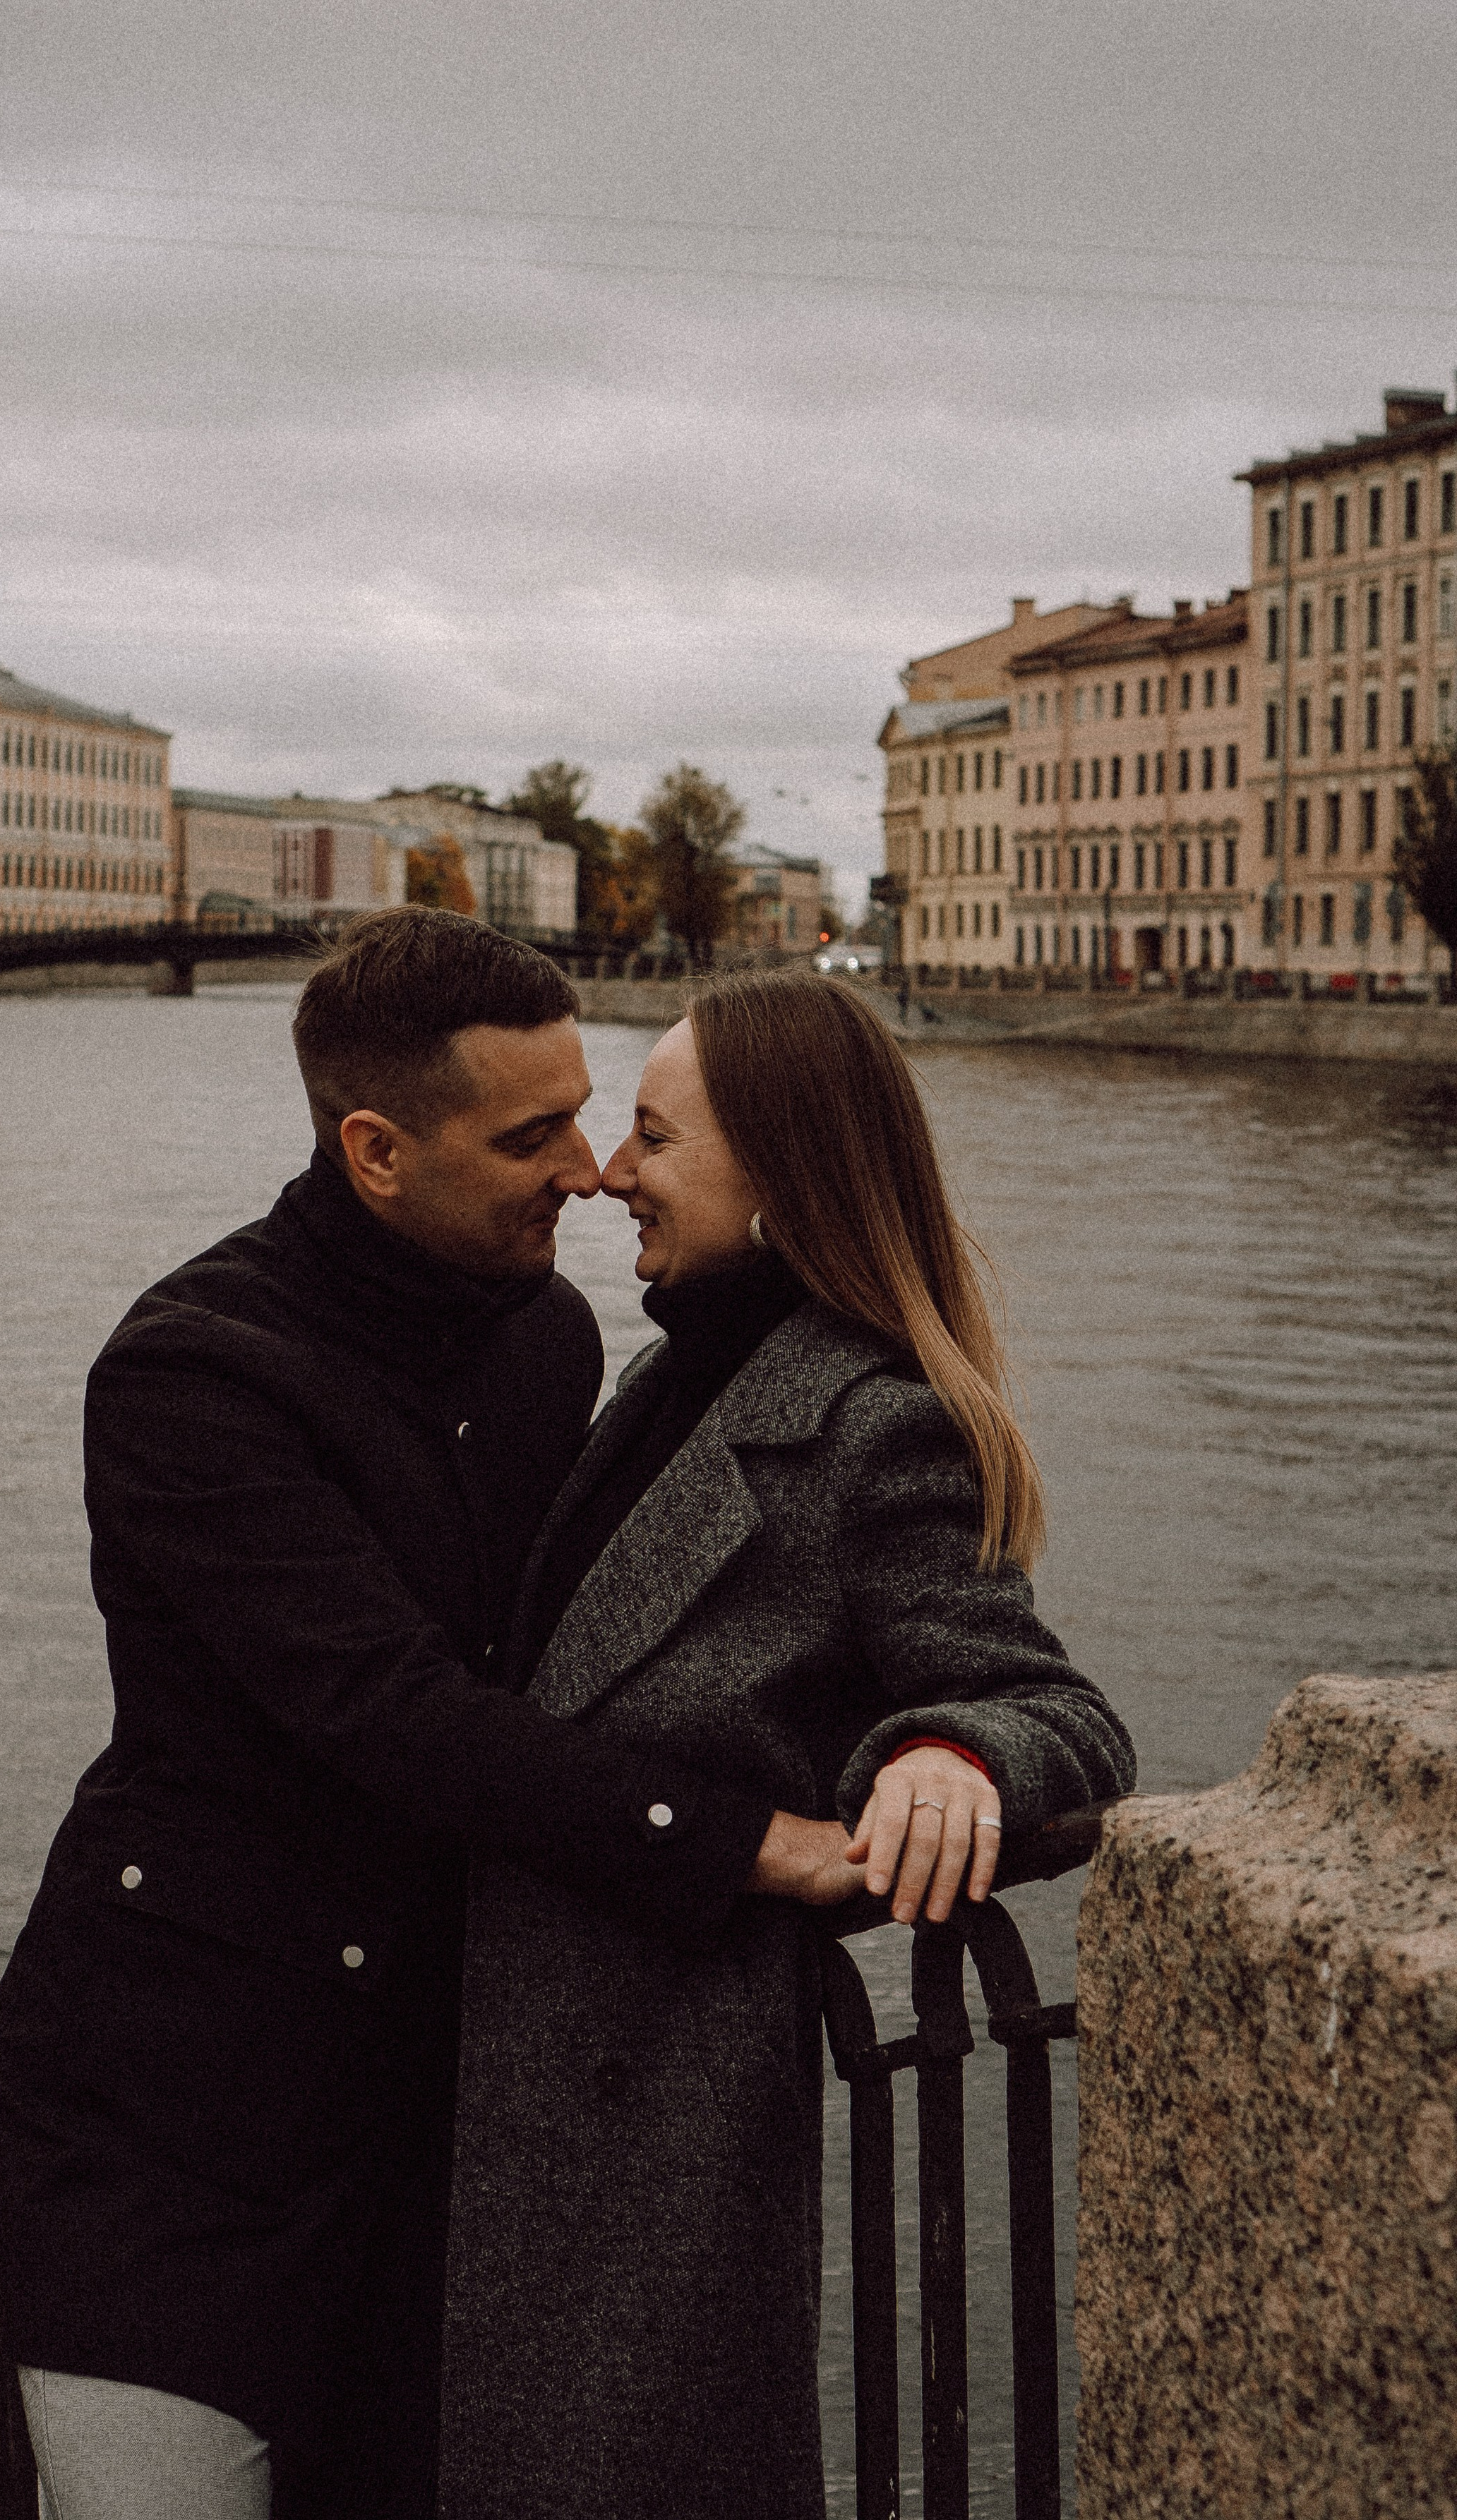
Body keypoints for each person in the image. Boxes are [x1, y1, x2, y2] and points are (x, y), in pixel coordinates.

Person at [0, 910, 865, 2520]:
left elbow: (639, 1644)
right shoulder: (194, 1371)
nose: (587, 1170)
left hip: (434, 2125)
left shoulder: (551, 1336)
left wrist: (930, 1745)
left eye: (589, 1115)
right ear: (375, 1149)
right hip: (176, 2129)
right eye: (530, 1136)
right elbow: (387, 1711)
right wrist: (739, 1845)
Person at [438, 964, 1136, 2520]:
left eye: (653, 1139)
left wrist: (947, 1754)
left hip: (647, 2136)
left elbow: (1063, 1718)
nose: (613, 1173)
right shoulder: (671, 1378)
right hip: (502, 2093)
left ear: (782, 1177)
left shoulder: (864, 1424)